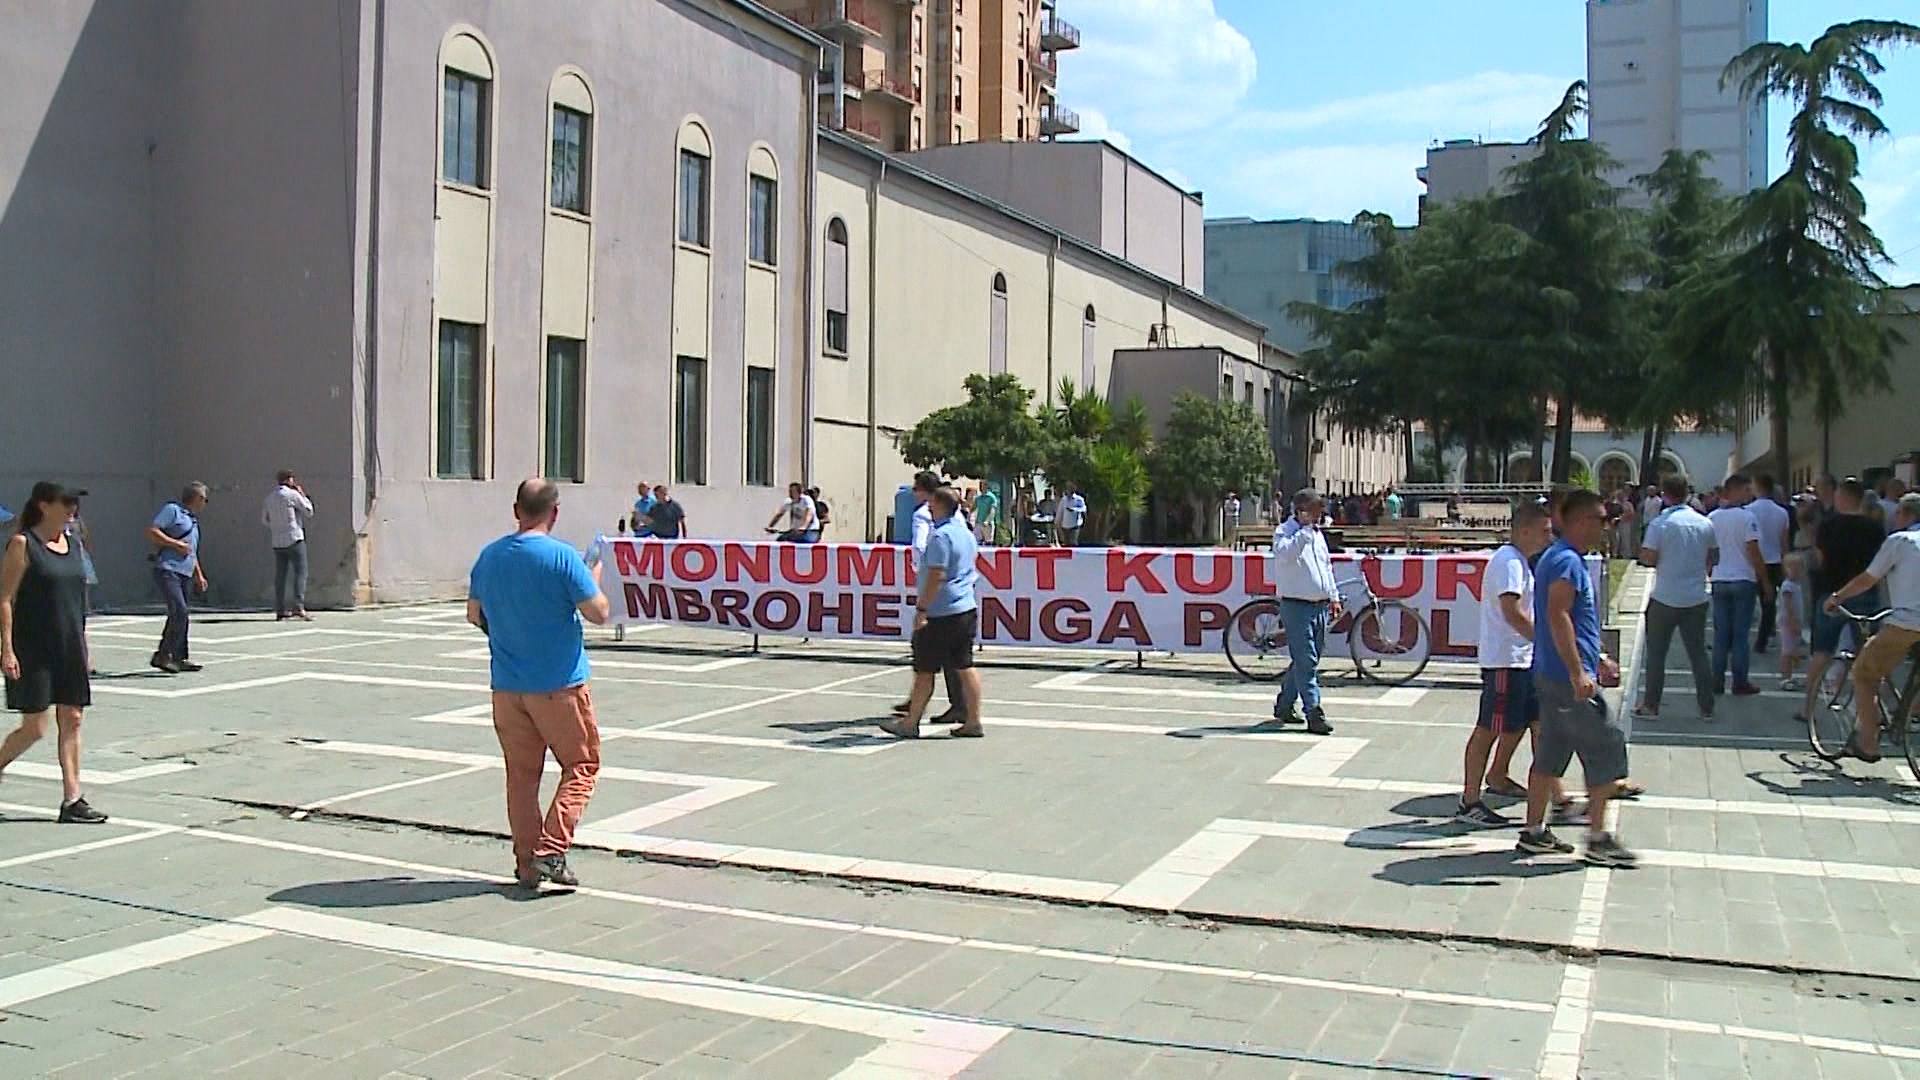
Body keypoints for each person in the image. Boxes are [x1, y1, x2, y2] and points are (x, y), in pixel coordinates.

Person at [467, 479, 611, 889]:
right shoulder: (563, 557)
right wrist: (593, 575)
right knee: (582, 766)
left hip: (508, 686)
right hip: (558, 685)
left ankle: (527, 863)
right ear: (555, 512)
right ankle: (552, 849)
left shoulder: (489, 556)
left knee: (522, 776)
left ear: (516, 510)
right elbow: (598, 612)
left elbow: (474, 614)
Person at [1518, 488, 1634, 866]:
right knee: (1605, 744)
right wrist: (1578, 672)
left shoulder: (1560, 558)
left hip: (1554, 675)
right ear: (1581, 521)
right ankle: (1599, 838)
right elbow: (1558, 615)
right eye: (1601, 520)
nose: (1605, 527)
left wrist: (1596, 657)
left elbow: (1571, 620)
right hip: (1566, 680)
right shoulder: (1566, 561)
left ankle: (1534, 831)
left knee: (1550, 755)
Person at [0, 482, 108, 824]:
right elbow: (4, 599)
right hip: (32, 648)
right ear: (44, 505)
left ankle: (72, 799)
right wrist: (6, 649)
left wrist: (84, 646)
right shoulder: (22, 544)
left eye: (75, 502)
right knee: (35, 727)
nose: (73, 508)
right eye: (67, 502)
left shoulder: (75, 545)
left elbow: (79, 603)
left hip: (69, 646)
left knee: (73, 719)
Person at [1456, 500, 1553, 826]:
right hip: (1505, 661)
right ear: (1524, 530)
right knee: (1488, 729)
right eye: (1544, 531)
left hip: (1521, 661)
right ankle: (1470, 801)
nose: (1548, 537)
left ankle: (1531, 785)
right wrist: (1543, 641)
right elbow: (1511, 611)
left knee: (1534, 724)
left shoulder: (1521, 562)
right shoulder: (1509, 562)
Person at [879, 488, 984, 740]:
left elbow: (937, 574)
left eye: (931, 503)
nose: (928, 506)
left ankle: (910, 723)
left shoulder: (941, 537)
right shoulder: (965, 534)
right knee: (964, 665)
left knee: (924, 669)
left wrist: (922, 609)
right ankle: (973, 720)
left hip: (941, 612)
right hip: (965, 608)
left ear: (939, 505)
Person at [1822, 493, 1920, 761]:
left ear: (1904, 514)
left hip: (1908, 622)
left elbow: (1868, 578)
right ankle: (1908, 715)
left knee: (1865, 673)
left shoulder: (1900, 541)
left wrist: (1837, 598)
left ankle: (1868, 742)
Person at [1797, 478, 1887, 724]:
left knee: (1822, 652)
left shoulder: (1828, 526)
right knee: (1867, 655)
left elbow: (1820, 558)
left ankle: (1807, 708)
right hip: (1866, 595)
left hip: (1832, 595)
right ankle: (1871, 711)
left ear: (1842, 497)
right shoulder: (1875, 528)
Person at [1635, 475, 1719, 721]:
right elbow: (1713, 556)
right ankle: (1707, 707)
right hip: (1695, 596)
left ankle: (1651, 705)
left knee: (1656, 654)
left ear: (1665, 494)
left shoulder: (1660, 524)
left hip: (1665, 595)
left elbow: (1648, 558)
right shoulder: (1704, 523)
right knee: (1698, 654)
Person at [893, 472, 967, 724]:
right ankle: (959, 705)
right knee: (956, 658)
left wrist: (923, 598)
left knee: (926, 654)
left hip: (938, 591)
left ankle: (917, 709)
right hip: (960, 588)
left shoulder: (925, 517)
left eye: (916, 488)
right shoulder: (957, 517)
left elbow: (922, 549)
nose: (914, 493)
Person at [1269, 489, 1339, 736]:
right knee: (1306, 660)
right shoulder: (1285, 533)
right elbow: (1285, 555)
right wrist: (1304, 533)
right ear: (1300, 510)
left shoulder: (1317, 536)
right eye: (1315, 510)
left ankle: (1285, 703)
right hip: (1296, 605)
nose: (1320, 515)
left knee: (1307, 659)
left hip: (1319, 604)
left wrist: (1333, 595)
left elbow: (1325, 567)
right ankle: (1314, 711)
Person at [1707, 473, 1770, 697]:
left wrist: (1710, 572)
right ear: (1737, 491)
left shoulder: (1712, 518)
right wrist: (1765, 581)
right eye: (1746, 490)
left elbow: (1709, 552)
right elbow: (1753, 551)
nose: (1749, 494)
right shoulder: (1747, 518)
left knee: (1721, 633)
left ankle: (1716, 680)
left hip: (1720, 578)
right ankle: (1739, 681)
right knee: (1740, 634)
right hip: (1743, 579)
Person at [147, 482, 210, 674]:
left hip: (185, 573)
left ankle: (179, 656)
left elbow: (191, 551)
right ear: (197, 497)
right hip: (168, 569)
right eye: (205, 499)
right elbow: (152, 531)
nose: (205, 504)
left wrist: (199, 574)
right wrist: (175, 544)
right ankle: (163, 655)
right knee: (179, 611)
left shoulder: (193, 521)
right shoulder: (172, 510)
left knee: (181, 615)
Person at [262, 469, 316, 621]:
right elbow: (308, 510)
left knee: (280, 575)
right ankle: (298, 606)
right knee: (301, 572)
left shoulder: (269, 498)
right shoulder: (292, 494)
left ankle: (280, 609)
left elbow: (264, 520)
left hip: (277, 540)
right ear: (289, 479)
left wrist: (276, 527)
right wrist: (302, 494)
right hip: (294, 537)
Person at [1777, 552, 1808, 692]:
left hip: (1793, 620)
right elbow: (1788, 605)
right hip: (1789, 621)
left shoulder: (1796, 585)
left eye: (1798, 568)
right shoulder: (1788, 586)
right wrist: (1794, 620)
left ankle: (1790, 674)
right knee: (1787, 651)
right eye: (1792, 568)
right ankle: (1785, 677)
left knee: (1791, 649)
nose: (1795, 571)